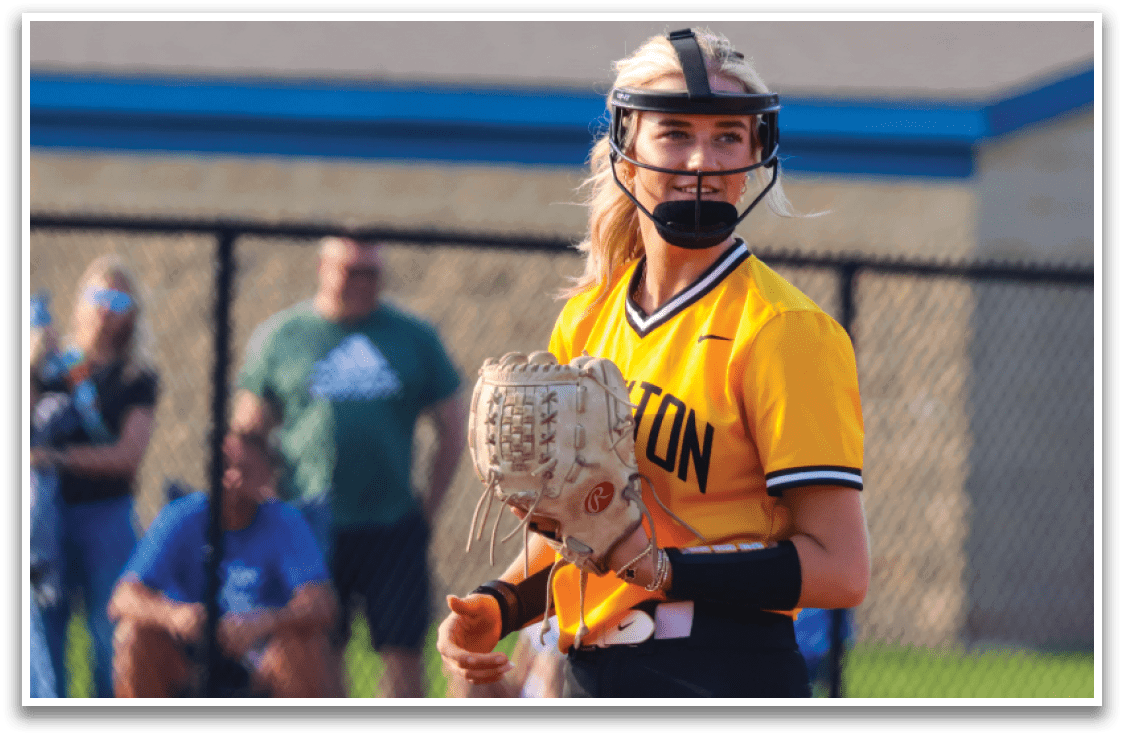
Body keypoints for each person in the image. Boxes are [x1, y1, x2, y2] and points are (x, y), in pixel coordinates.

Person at [437, 27, 870, 699]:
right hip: (592, 672)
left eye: (729, 135)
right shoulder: (589, 317)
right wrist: (498, 606)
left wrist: (666, 570)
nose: (703, 158)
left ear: (758, 152)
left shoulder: (784, 329)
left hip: (724, 670)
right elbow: (578, 535)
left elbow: (841, 567)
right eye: (674, 133)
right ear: (626, 149)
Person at [232, 235, 467, 698]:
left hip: (393, 521)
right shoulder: (284, 337)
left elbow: (453, 426)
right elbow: (247, 432)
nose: (362, 282)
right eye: (350, 270)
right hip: (309, 523)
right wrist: (268, 508)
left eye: (371, 273)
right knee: (318, 649)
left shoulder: (412, 337)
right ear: (323, 267)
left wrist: (429, 506)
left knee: (402, 650)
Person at [108, 431, 338, 698]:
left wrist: (261, 623)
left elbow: (322, 603)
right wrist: (175, 615)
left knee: (303, 647)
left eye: (245, 471)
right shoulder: (181, 517)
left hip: (260, 660)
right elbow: (122, 598)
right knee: (133, 635)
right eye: (225, 468)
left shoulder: (285, 522)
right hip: (189, 658)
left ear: (266, 474)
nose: (233, 480)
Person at [31, 256, 160, 698]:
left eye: (118, 299)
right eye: (99, 296)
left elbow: (126, 456)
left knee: (111, 635)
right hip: (46, 520)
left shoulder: (135, 376)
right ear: (80, 302)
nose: (106, 309)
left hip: (107, 517)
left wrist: (55, 457)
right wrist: (30, 362)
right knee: (44, 636)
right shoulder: (50, 367)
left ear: (132, 312)